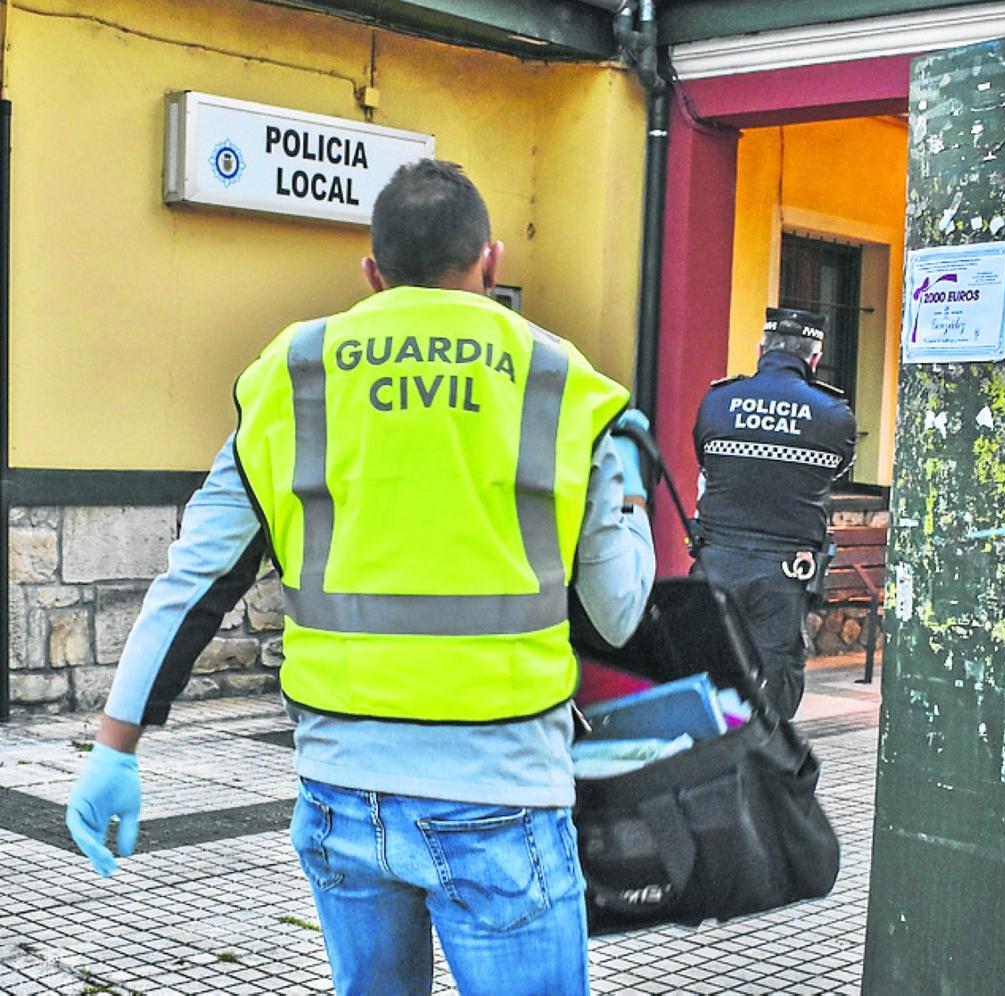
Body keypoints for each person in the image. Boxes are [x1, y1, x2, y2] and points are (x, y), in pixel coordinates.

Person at [63, 159, 656, 996]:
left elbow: (194, 581)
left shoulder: (289, 376)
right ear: (488, 262)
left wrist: (115, 748)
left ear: (372, 274)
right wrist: (629, 487)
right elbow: (620, 609)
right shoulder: (566, 385)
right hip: (502, 793)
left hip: (344, 793)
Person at [690, 308, 856, 720]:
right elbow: (834, 472)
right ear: (814, 359)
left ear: (761, 350)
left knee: (706, 670)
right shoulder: (834, 415)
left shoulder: (717, 401)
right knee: (776, 677)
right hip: (784, 574)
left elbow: (706, 463)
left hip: (715, 562)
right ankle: (767, 760)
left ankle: (707, 766)